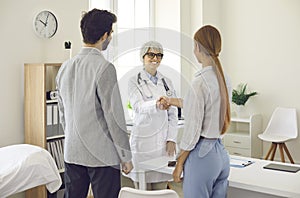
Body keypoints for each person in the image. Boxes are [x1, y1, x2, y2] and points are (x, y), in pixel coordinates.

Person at [56, 9, 133, 198]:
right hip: (102, 156)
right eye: (111, 33)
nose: (110, 37)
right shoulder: (104, 68)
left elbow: (63, 113)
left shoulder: (65, 67)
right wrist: (125, 156)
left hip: (72, 151)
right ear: (105, 35)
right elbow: (114, 117)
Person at [172, 25, 231, 198]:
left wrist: (179, 164)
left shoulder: (199, 83)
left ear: (197, 47)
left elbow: (192, 132)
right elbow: (210, 108)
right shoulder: (224, 77)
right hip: (221, 155)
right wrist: (174, 102)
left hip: (202, 157)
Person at [127, 41, 178, 190]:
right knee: (142, 191)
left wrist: (171, 139)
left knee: (161, 190)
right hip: (142, 145)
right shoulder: (134, 81)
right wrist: (156, 104)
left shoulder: (167, 82)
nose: (155, 58)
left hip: (162, 146)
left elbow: (173, 114)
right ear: (143, 57)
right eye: (151, 54)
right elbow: (138, 106)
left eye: (159, 55)